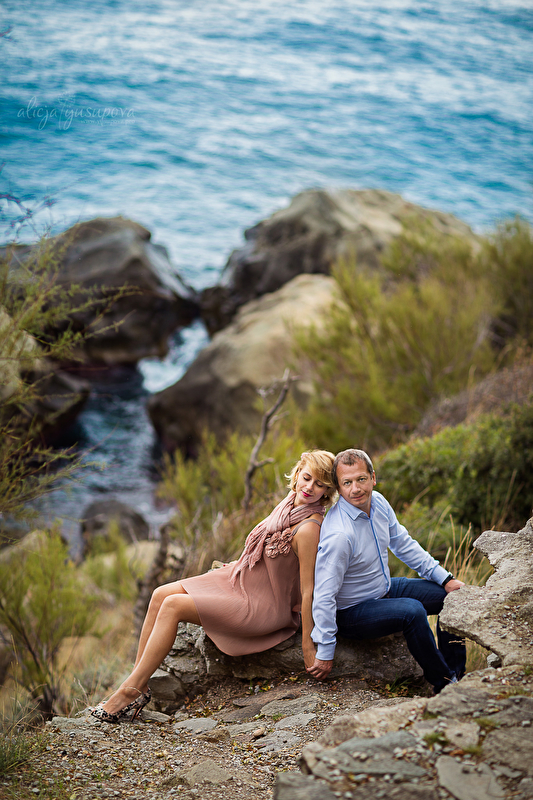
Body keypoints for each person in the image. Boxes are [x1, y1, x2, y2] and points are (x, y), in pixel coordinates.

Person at [91, 449, 335, 722]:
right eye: (307, 478)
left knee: (173, 605)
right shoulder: (289, 505)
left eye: (320, 484)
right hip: (242, 580)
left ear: (327, 491)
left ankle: (129, 691)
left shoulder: (309, 528)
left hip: (262, 605)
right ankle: (139, 683)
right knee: (160, 594)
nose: (309, 487)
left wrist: (308, 646)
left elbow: (308, 590)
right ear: (298, 473)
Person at [307, 448, 466, 694]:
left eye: (361, 479)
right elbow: (324, 595)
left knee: (453, 597)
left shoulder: (378, 502)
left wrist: (445, 579)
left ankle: (457, 673)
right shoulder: (340, 535)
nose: (355, 489)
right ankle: (445, 684)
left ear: (373, 477)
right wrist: (326, 650)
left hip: (383, 589)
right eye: (347, 483)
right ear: (338, 488)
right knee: (413, 611)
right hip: (351, 612)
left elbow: (403, 544)